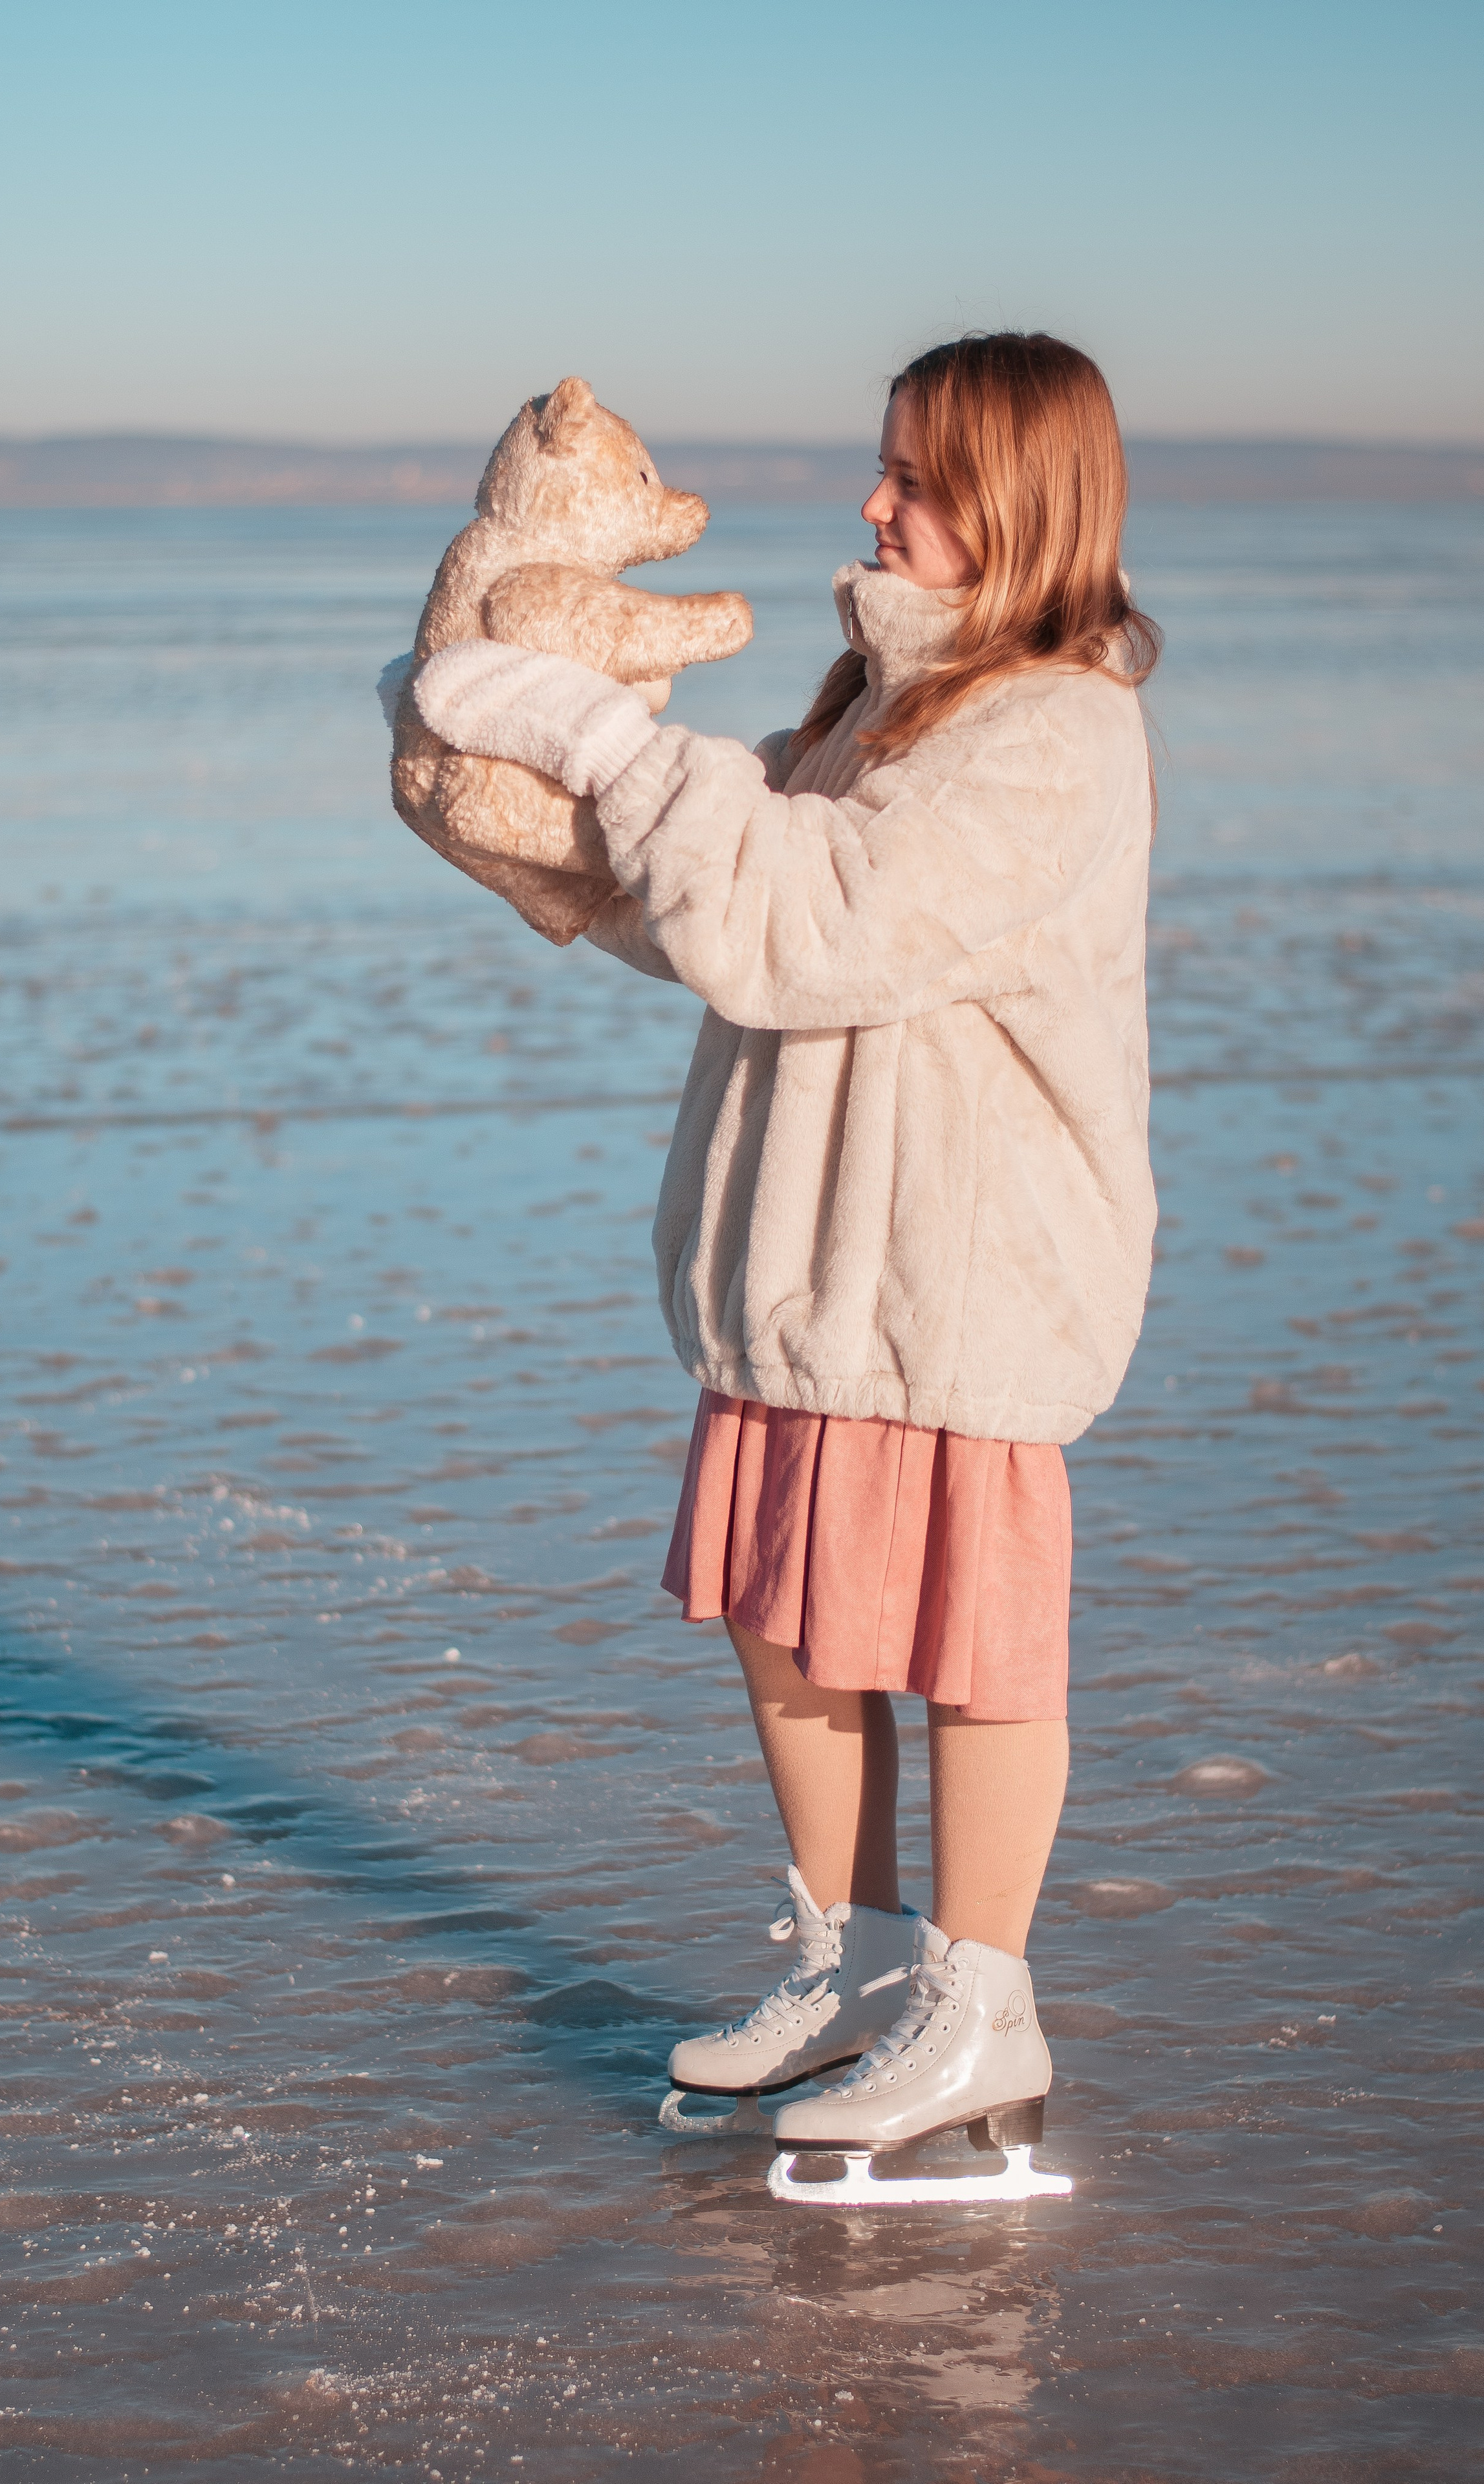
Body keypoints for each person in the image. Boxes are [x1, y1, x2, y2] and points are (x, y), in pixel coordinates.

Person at [413, 332, 1160, 2172]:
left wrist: (598, 729)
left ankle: (985, 2010)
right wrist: (499, 788)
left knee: (968, 1648)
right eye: (883, 463)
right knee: (790, 1624)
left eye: (914, 476)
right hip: (808, 1273)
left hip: (958, 1279)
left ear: (1021, 500)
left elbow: (808, 925)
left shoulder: (1057, 729)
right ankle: (857, 1966)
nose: (871, 501)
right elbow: (707, 900)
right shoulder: (867, 699)